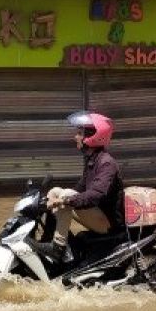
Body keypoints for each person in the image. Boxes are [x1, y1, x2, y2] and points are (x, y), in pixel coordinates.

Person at [27, 111, 125, 264]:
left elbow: (96, 194)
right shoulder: (92, 160)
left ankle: (57, 248)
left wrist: (66, 201)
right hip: (97, 215)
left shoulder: (106, 163)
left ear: (94, 136)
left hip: (108, 223)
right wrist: (45, 201)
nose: (75, 137)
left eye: (80, 133)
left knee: (65, 196)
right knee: (56, 191)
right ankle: (48, 239)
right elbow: (80, 187)